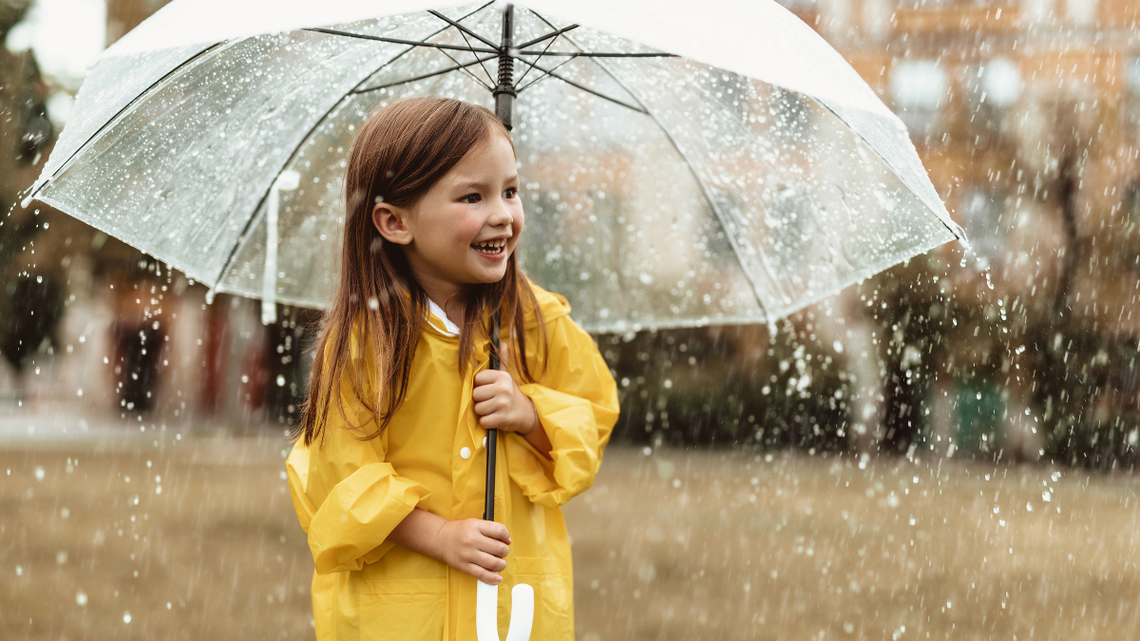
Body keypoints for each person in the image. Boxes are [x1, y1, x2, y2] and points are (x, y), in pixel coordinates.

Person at [286, 97, 619, 641]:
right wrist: (440, 536)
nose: (503, 215)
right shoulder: (367, 344)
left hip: (511, 609)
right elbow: (340, 481)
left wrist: (531, 415)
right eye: (473, 196)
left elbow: (595, 413)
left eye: (510, 191)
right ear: (395, 222)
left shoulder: (534, 320)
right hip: (402, 613)